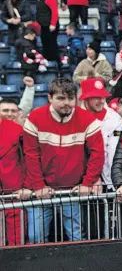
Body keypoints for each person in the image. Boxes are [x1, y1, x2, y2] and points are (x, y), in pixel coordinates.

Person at [23, 78, 105, 244]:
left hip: (71, 191)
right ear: (50, 98)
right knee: (35, 237)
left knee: (76, 236)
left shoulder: (87, 119)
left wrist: (87, 183)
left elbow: (97, 154)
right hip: (41, 190)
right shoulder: (34, 118)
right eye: (61, 98)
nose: (66, 103)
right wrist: (38, 186)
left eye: (70, 98)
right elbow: (31, 155)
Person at [79, 77, 122, 192]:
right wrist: (92, 178)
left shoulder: (115, 119)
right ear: (86, 99)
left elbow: (116, 153)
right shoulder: (77, 118)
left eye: (103, 97)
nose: (102, 101)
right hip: (85, 182)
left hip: (111, 179)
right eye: (96, 97)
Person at [0, 107, 32, 246]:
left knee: (17, 245)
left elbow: (30, 158)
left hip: (14, 195)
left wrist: (27, 185)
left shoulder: (15, 129)